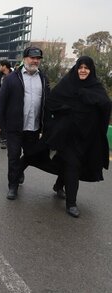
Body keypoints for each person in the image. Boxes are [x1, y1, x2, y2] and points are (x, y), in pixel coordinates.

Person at [42, 56, 111, 217]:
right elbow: (52, 101)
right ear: (76, 68)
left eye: (86, 68)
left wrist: (87, 95)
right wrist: (66, 109)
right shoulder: (67, 83)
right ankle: (71, 204)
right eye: (80, 67)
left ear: (91, 70)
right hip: (67, 135)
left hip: (86, 137)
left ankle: (59, 185)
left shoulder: (95, 87)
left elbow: (106, 104)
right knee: (72, 165)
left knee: (72, 165)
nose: (83, 70)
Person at [0, 46, 50, 200]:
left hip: (34, 127)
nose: (35, 61)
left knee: (31, 155)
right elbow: (1, 101)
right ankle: (12, 185)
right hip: (14, 126)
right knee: (13, 156)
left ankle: (18, 171)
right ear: (25, 59)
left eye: (38, 58)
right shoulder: (12, 78)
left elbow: (47, 102)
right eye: (32, 58)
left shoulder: (43, 79)